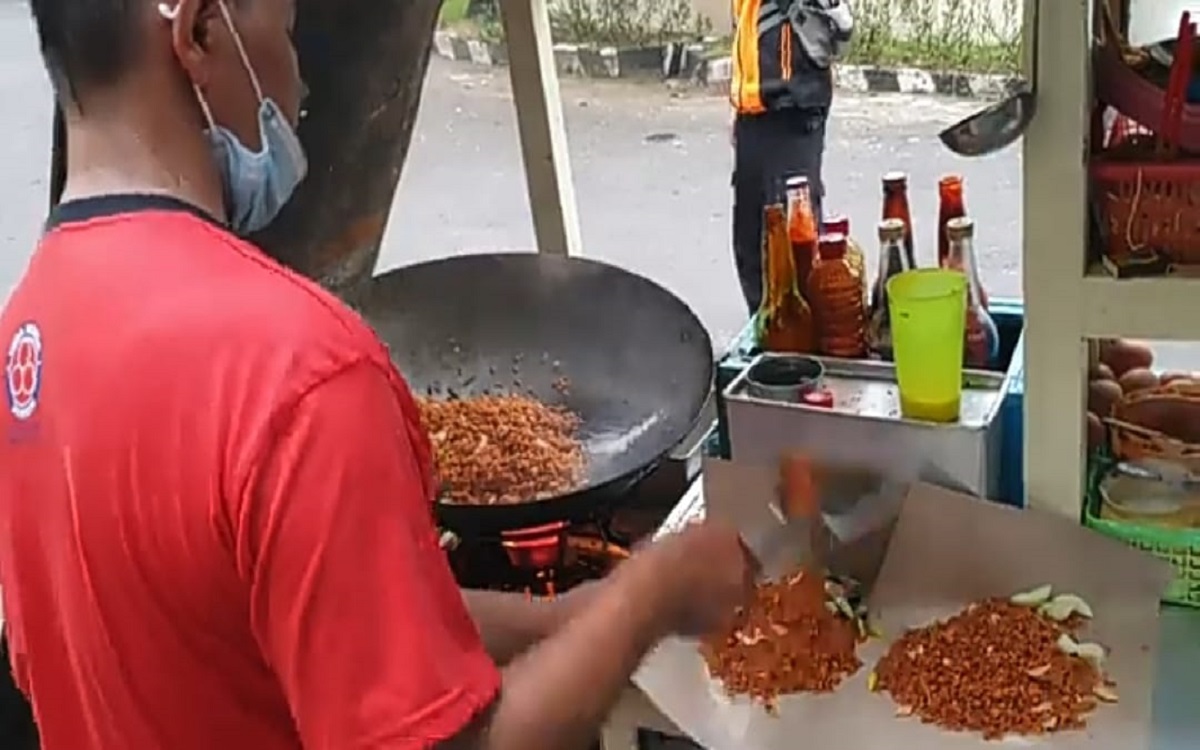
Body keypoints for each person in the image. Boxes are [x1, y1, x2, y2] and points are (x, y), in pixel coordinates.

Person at [0, 1, 756, 748]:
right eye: (287, 35)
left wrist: (564, 621)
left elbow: (324, 616)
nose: (299, 87)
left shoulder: (25, 339)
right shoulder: (296, 370)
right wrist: (654, 593)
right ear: (200, 30)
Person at [729, 0, 853, 313]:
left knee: (796, 246)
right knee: (751, 243)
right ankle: (765, 336)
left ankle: (807, 349)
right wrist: (740, 106)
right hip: (754, 109)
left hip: (793, 104)